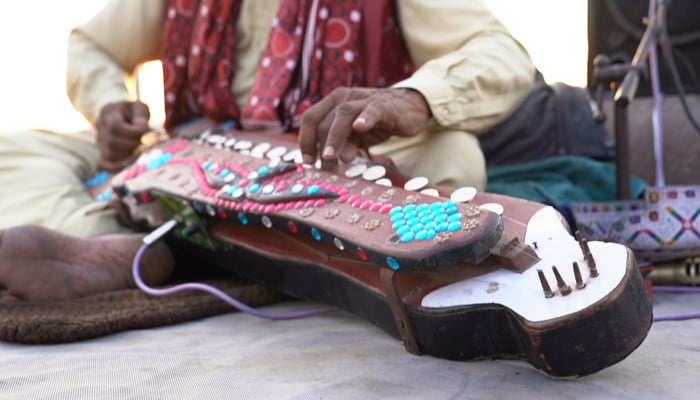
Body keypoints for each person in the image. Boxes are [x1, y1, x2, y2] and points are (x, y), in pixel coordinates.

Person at [0, 0, 536, 303]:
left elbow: (500, 53)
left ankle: (154, 244)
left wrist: (413, 98)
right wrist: (109, 104)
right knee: (15, 148)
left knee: (452, 154)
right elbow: (92, 43)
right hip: (192, 159)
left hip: (331, 172)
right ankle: (195, 244)